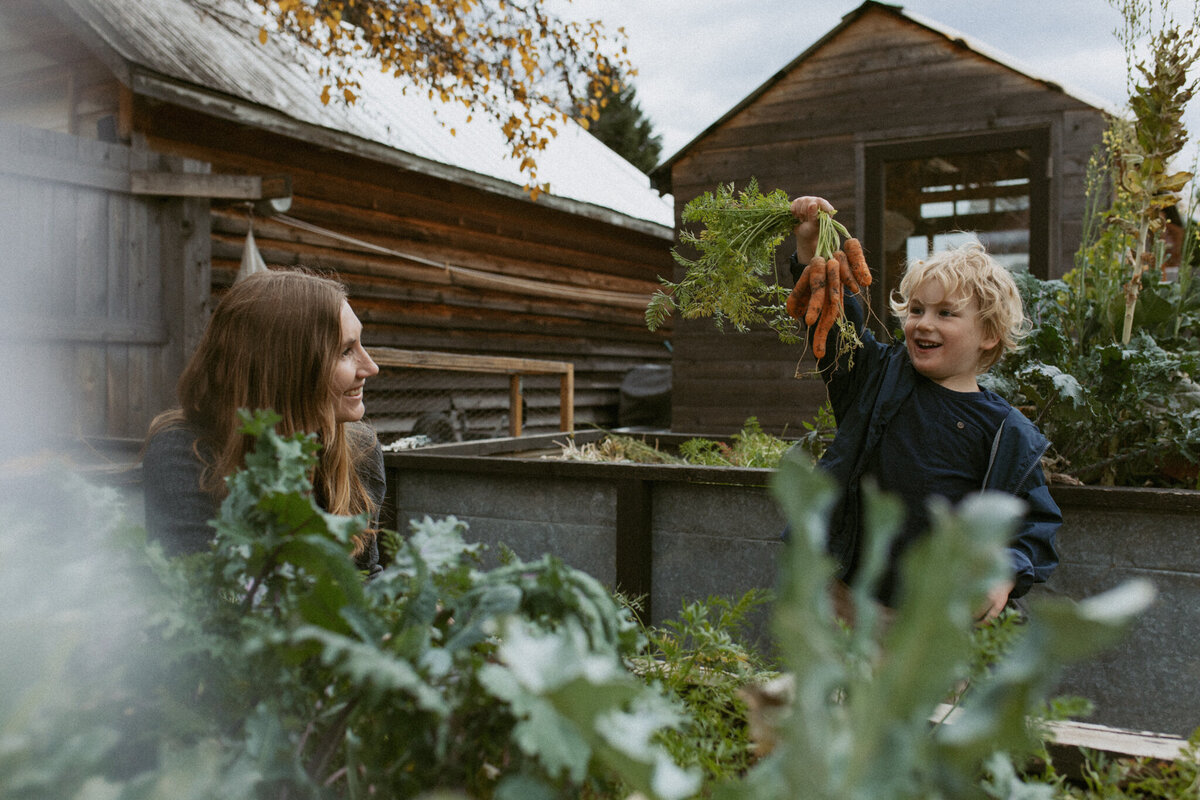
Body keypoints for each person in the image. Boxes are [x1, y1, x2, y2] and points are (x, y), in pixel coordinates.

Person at [788, 196, 1059, 621]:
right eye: (916, 309)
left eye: (946, 313)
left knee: (930, 691)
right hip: (849, 598)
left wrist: (1004, 575)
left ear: (988, 334)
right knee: (845, 687)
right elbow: (836, 325)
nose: (924, 323)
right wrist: (811, 251)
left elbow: (1034, 525)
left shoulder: (1006, 432)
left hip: (935, 622)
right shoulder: (876, 380)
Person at [142, 268, 384, 576]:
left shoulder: (359, 450)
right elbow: (199, 594)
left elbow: (363, 576)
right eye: (346, 351)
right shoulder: (186, 454)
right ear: (288, 369)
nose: (371, 367)